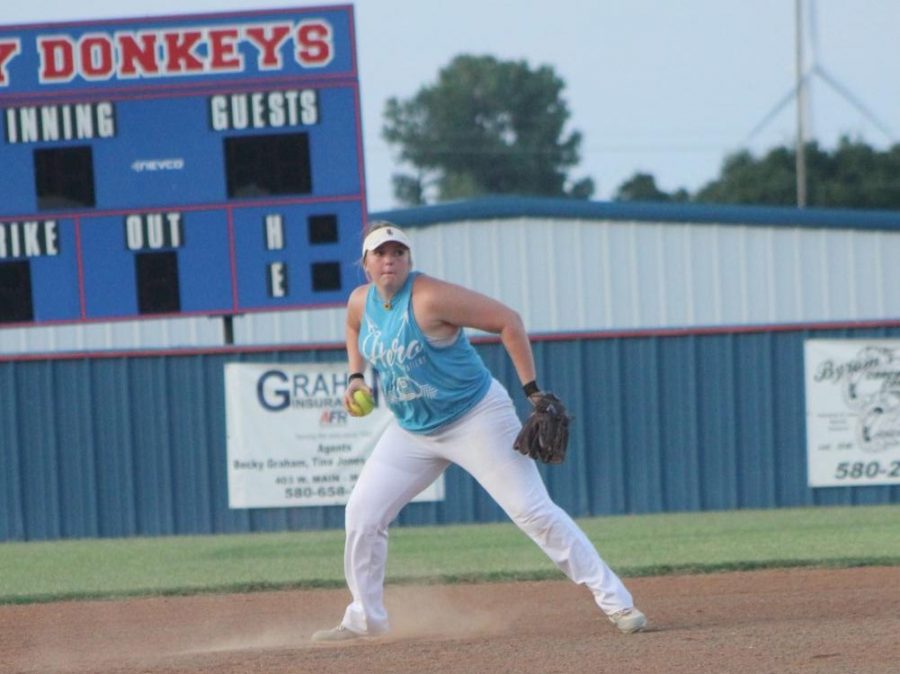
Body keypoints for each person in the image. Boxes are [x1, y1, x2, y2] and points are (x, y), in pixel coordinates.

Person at [311, 222, 646, 642]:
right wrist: (355, 377)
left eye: (398, 252)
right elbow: (353, 328)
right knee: (361, 515)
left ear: (409, 260)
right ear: (365, 264)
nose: (389, 259)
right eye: (380, 253)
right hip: (413, 431)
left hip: (476, 418)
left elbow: (508, 320)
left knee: (533, 512)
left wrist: (532, 391)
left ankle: (619, 604)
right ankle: (365, 620)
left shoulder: (430, 297)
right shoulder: (361, 301)